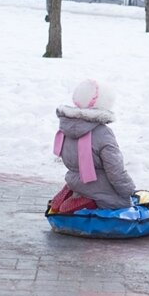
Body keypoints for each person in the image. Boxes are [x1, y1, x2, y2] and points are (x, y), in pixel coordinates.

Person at [50, 79, 136, 212]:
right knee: (121, 203)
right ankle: (89, 201)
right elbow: (115, 170)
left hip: (73, 178)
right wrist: (128, 190)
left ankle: (76, 192)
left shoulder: (65, 128)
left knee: (85, 184)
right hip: (97, 184)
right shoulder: (103, 133)